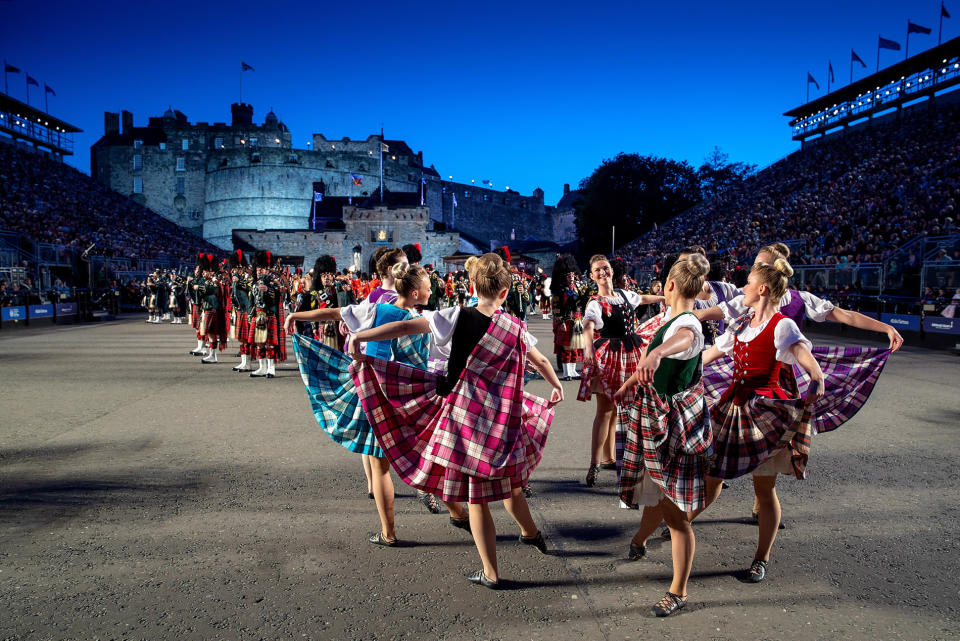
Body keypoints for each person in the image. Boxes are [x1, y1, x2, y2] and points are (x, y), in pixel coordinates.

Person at [346, 253, 563, 588]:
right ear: (505, 293)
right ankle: (531, 533)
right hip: (502, 418)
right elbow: (540, 361)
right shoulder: (515, 327)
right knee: (511, 487)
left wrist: (363, 336)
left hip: (465, 418)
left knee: (477, 499)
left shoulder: (455, 316)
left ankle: (491, 572)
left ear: (472, 286)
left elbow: (404, 326)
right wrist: (556, 385)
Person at [289, 263, 469, 545]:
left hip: (372, 394)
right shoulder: (425, 320)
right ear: (415, 293)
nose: (432, 290)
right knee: (426, 455)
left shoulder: (375, 310)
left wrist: (295, 315)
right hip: (408, 397)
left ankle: (389, 533)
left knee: (379, 466)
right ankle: (457, 512)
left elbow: (335, 313)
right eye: (428, 287)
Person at [696, 257, 825, 583]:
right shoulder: (742, 321)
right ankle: (682, 521)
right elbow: (714, 352)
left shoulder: (782, 325)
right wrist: (679, 364)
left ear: (762, 289)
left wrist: (816, 376)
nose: (743, 288)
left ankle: (761, 557)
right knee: (712, 477)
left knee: (764, 488)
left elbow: (802, 354)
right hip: (731, 408)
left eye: (748, 283)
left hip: (763, 415)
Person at [614, 252, 712, 617]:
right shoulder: (671, 319)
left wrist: (656, 357)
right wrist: (627, 385)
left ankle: (678, 591)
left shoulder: (686, 323)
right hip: (657, 418)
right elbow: (652, 358)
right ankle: (639, 539)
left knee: (674, 514)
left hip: (671, 424)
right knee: (655, 493)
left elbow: (683, 340)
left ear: (668, 285)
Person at [578, 254, 664, 487]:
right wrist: (587, 348)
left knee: (617, 408)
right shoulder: (595, 302)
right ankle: (594, 464)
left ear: (612, 271)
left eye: (605, 268)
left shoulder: (625, 295)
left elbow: (643, 299)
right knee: (605, 410)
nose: (602, 273)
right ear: (592, 275)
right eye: (597, 270)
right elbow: (588, 324)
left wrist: (664, 297)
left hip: (630, 352)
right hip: (609, 357)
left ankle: (608, 457)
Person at [551, 254, 588, 380]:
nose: (571, 277)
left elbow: (583, 302)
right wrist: (560, 321)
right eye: (568, 275)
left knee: (575, 347)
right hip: (566, 321)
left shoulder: (578, 287)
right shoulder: (560, 291)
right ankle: (566, 372)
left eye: (572, 275)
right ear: (563, 277)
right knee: (567, 348)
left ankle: (573, 372)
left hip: (577, 320)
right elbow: (556, 308)